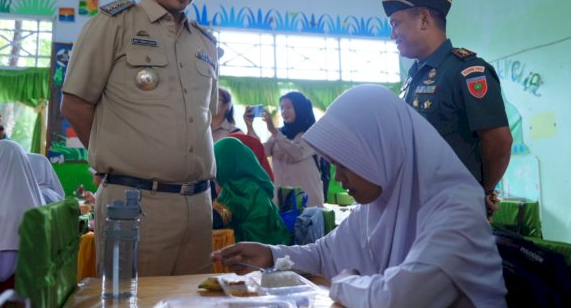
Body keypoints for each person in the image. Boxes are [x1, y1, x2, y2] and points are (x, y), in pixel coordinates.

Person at [214, 85, 507, 308]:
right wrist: (271, 253)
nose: (339, 178)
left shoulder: (457, 208)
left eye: (345, 164)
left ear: (381, 151)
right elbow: (325, 254)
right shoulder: (381, 202)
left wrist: (345, 283)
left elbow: (398, 299)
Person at [61, 0, 221, 276]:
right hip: (135, 202)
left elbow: (204, 117)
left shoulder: (205, 43)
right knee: (133, 300)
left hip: (198, 205)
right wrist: (113, 161)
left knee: (192, 301)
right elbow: (75, 104)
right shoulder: (115, 24)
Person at [381, 0, 512, 215]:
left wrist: (481, 191)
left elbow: (499, 142)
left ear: (423, 19)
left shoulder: (466, 71)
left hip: (454, 210)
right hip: (417, 207)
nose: (392, 34)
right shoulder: (413, 78)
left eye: (395, 23)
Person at [0, 140, 45, 305]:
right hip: (31, 283)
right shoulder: (23, 196)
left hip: (15, 290)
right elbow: (17, 240)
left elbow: (0, 271)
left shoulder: (12, 208)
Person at [245, 91, 324, 207]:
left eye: (288, 107)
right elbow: (261, 151)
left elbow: (297, 154)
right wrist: (249, 126)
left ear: (300, 108)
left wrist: (273, 131)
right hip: (282, 198)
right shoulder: (279, 133)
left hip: (308, 199)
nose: (284, 112)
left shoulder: (312, 133)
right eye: (282, 108)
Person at [213, 138, 290, 245]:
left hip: (250, 254)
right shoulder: (255, 185)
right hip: (275, 249)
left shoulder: (236, 190)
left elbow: (219, 219)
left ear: (225, 164)